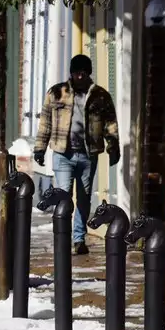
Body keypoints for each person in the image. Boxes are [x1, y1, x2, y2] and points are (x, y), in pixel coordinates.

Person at [32, 54, 120, 255]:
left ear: (88, 73)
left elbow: (110, 124)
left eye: (83, 72)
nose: (80, 76)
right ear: (71, 73)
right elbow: (45, 122)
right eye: (76, 72)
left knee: (84, 198)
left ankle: (78, 239)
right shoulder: (56, 93)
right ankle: (62, 237)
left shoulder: (100, 96)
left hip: (88, 155)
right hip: (63, 153)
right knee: (63, 196)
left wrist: (113, 147)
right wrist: (40, 148)